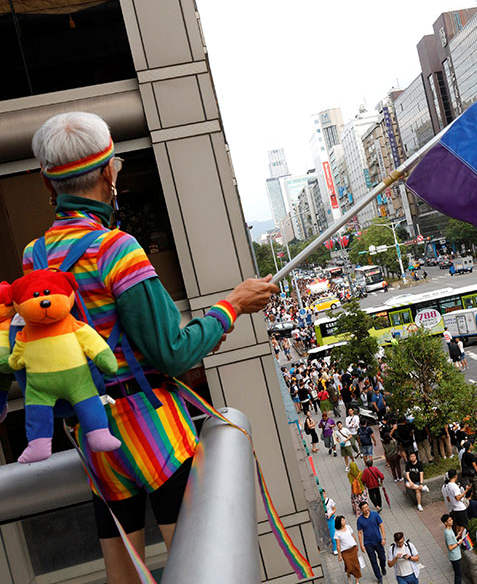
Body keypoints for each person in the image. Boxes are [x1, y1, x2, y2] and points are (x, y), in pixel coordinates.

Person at [23, 111, 280, 584]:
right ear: (107, 173)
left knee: (122, 575)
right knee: (199, 565)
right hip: (153, 433)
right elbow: (174, 352)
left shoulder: (34, 258)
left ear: (47, 184)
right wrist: (233, 305)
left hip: (93, 436)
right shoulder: (117, 250)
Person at [357, 501, 387, 584]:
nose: (366, 509)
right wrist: (361, 545)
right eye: (364, 508)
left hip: (378, 541)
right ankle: (379, 577)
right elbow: (359, 533)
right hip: (368, 543)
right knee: (373, 561)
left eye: (367, 507)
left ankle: (383, 567)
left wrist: (383, 538)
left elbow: (381, 525)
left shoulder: (375, 515)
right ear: (361, 510)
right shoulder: (360, 520)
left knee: (382, 557)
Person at [335, 515, 362, 583]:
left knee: (356, 565)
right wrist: (339, 555)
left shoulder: (348, 527)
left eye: (344, 520)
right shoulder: (337, 533)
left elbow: (353, 536)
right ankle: (348, 574)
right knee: (349, 566)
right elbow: (338, 545)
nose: (344, 521)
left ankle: (357, 581)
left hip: (353, 548)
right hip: (345, 552)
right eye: (342, 521)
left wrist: (356, 544)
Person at [443, 514, 465, 584]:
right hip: (454, 556)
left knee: (458, 574)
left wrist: (457, 536)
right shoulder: (448, 533)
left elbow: (452, 541)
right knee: (458, 575)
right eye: (449, 520)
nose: (451, 521)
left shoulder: (449, 530)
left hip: (456, 555)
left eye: (451, 519)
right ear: (445, 523)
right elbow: (450, 547)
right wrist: (459, 543)